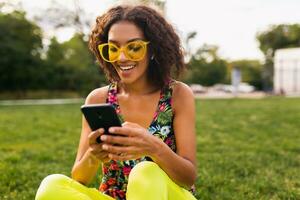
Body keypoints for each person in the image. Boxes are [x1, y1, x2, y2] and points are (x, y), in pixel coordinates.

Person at [35, 4, 197, 200]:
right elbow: (79, 178)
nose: (121, 57)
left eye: (134, 47)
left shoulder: (178, 94)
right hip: (115, 196)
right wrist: (94, 154)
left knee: (145, 171)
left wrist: (154, 147)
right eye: (113, 48)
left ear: (153, 49)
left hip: (170, 195)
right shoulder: (98, 99)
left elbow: (188, 178)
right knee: (52, 186)